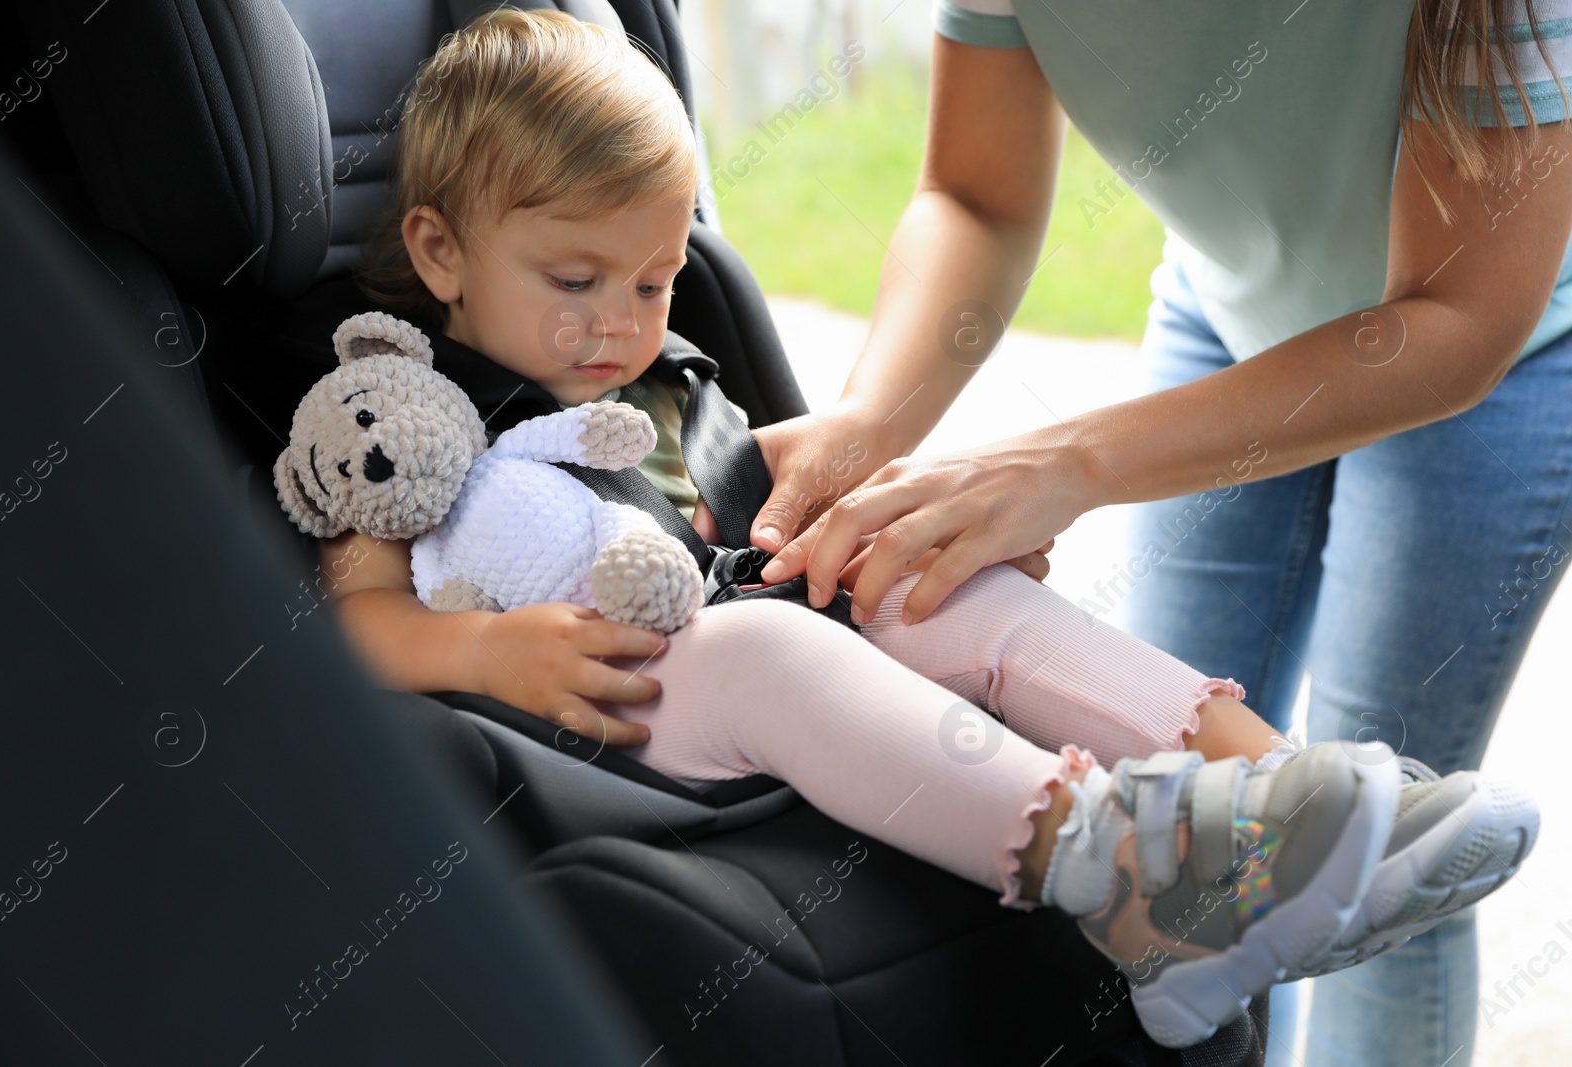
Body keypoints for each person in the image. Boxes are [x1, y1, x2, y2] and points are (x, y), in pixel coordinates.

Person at [311, 8, 1535, 1051]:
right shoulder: (411, 414)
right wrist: (482, 652)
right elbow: (353, 617)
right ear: (439, 251)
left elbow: (763, 508)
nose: (618, 323)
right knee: (763, 650)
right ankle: (1127, 881)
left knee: (946, 586)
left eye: (654, 279)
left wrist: (882, 529)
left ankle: (1283, 800)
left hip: (727, 616)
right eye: (574, 282)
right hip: (602, 700)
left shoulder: (662, 376)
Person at [744, 2, 1572, 1063]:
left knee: (1387, 848)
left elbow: (1453, 317)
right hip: (1229, 310)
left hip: (1502, 348)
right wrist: (871, 420)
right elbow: (975, 194)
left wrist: (1068, 463)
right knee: (1180, 814)